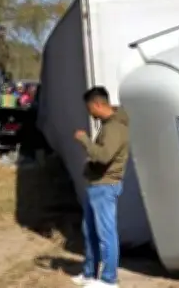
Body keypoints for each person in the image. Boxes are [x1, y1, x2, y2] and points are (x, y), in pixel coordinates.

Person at [71, 86, 130, 288]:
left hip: (105, 186)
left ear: (97, 104)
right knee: (90, 231)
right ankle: (90, 273)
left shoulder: (115, 127)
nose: (89, 113)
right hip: (96, 185)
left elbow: (104, 156)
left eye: (89, 108)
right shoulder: (108, 125)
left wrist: (85, 140)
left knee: (106, 233)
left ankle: (109, 280)